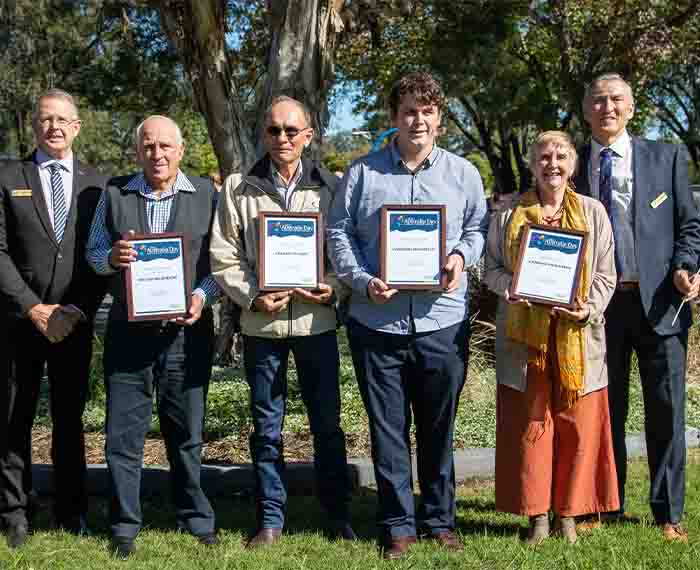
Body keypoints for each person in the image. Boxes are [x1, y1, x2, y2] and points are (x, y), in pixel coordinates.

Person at [326, 72, 488, 560]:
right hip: (378, 323)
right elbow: (339, 233)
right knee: (388, 428)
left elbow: (478, 227)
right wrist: (361, 280)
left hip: (442, 321)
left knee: (440, 428)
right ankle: (397, 524)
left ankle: (439, 518)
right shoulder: (363, 174)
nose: (418, 120)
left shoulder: (464, 173)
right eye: (408, 111)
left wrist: (461, 257)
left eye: (427, 111)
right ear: (393, 118)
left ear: (439, 118)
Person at [209, 96, 354, 547]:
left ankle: (336, 515)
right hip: (261, 327)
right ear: (263, 135)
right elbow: (223, 254)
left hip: (316, 325)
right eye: (274, 131)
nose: (283, 138)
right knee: (266, 425)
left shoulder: (331, 187)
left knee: (327, 424)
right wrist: (253, 296)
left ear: (308, 136)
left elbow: (345, 249)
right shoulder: (238, 188)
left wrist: (333, 286)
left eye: (292, 131)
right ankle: (270, 518)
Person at [571, 72, 700, 541]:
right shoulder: (573, 161)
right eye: (599, 100)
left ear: (632, 106)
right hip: (597, 305)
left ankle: (668, 513)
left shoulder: (664, 156)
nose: (608, 107)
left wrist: (686, 266)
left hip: (662, 303)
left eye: (616, 100)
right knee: (605, 410)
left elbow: (690, 225)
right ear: (587, 110)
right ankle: (605, 503)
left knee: (665, 410)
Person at [85, 115, 220, 558]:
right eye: (149, 146)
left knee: (187, 433)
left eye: (165, 146)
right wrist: (113, 257)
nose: (157, 154)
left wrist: (201, 297)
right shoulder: (115, 194)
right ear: (138, 151)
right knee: (123, 437)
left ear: (181, 150)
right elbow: (93, 254)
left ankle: (195, 517)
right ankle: (125, 524)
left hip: (188, 333)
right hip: (129, 333)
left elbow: (219, 267)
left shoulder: (206, 194)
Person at [484, 131, 619, 545]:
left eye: (561, 156)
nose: (552, 164)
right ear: (532, 163)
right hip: (526, 344)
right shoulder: (508, 215)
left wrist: (587, 308)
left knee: (578, 427)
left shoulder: (593, 213)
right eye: (544, 156)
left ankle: (569, 514)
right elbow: (489, 267)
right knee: (531, 426)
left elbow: (605, 274)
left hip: (578, 338)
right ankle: (536, 515)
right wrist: (508, 285)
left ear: (573, 164)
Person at [0, 89, 107, 548]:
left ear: (77, 126)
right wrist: (33, 307)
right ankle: (13, 513)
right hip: (16, 321)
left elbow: (99, 257)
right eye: (46, 119)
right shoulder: (7, 177)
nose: (55, 127)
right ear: (35, 126)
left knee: (69, 418)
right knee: (13, 418)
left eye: (63, 119)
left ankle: (71, 510)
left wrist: (75, 308)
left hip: (72, 322)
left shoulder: (97, 185)